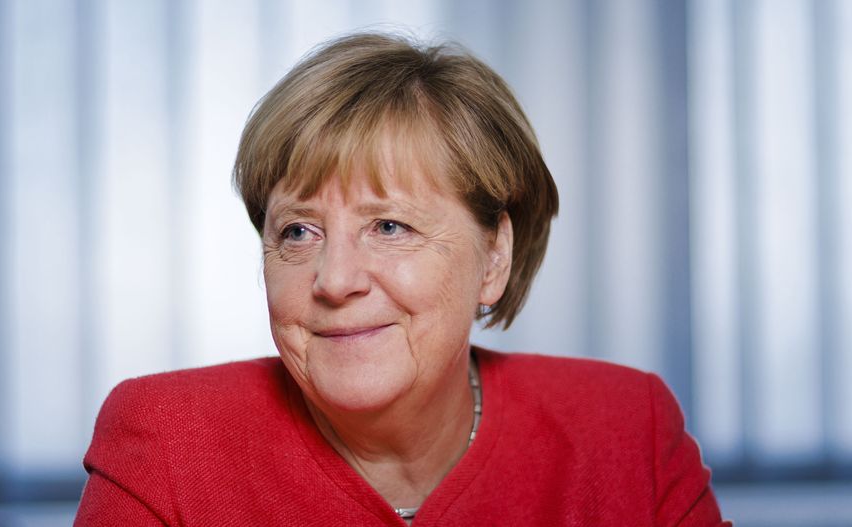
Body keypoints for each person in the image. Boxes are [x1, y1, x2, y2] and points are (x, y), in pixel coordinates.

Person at [74, 32, 730, 526]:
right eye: (298, 231)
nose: (334, 279)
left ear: (494, 255)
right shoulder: (164, 444)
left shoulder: (624, 431)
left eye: (389, 226)